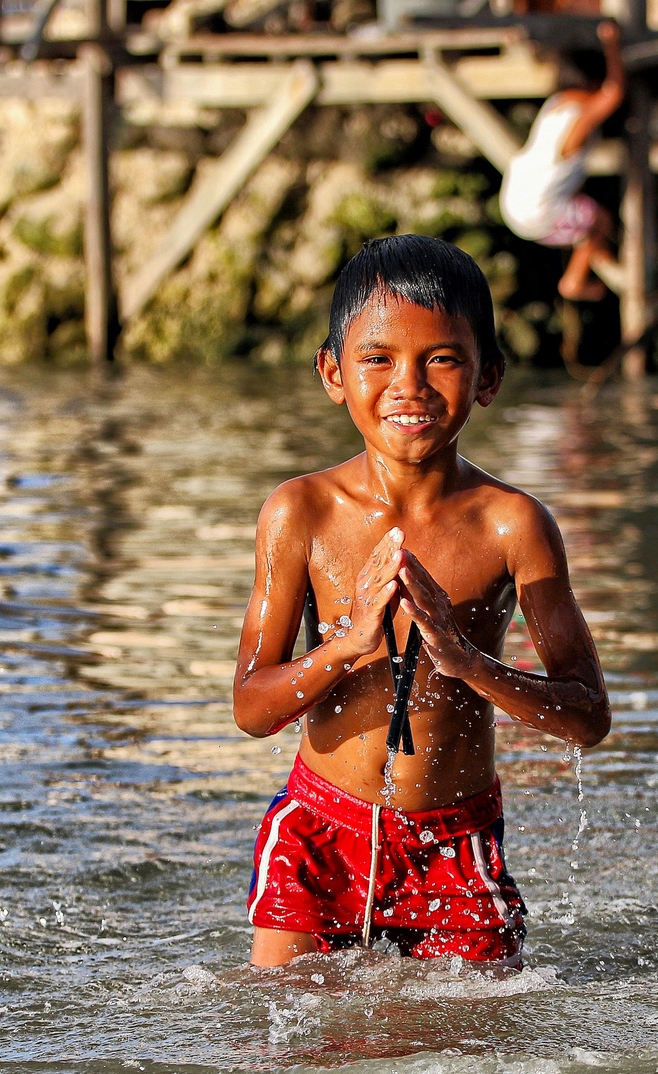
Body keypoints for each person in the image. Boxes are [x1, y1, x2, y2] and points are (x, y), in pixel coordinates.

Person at [234, 234, 610, 968]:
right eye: (378, 358)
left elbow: (588, 718)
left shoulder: (513, 525)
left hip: (454, 842)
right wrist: (346, 645)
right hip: (321, 830)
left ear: (489, 377)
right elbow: (252, 707)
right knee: (280, 1046)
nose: (408, 384)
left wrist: (468, 662)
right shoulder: (300, 513)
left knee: (464, 1050)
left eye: (441, 358)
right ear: (332, 373)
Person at [499, 21, 624, 301]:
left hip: (514, 202)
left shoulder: (556, 104)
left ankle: (594, 253)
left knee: (583, 211)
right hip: (536, 212)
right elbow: (613, 93)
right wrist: (612, 45)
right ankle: (573, 282)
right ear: (591, 84)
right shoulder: (576, 121)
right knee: (598, 218)